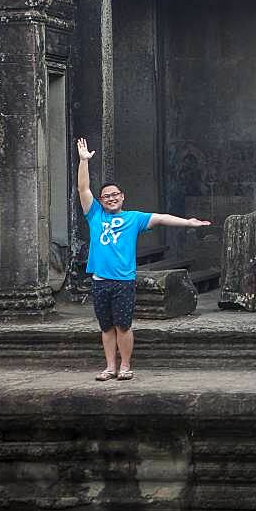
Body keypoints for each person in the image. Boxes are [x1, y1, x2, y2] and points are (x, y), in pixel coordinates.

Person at [76, 137, 211, 382]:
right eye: (106, 196)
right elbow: (83, 190)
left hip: (123, 280)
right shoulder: (94, 215)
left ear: (122, 197)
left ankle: (125, 365)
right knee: (106, 327)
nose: (111, 198)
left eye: (115, 195)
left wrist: (188, 222)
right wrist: (84, 162)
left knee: (123, 326)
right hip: (100, 280)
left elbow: (160, 218)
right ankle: (110, 366)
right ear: (101, 200)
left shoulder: (133, 218)